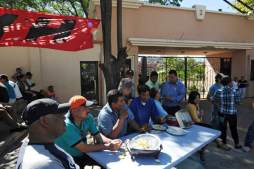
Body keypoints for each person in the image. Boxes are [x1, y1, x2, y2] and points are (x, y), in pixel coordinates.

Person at [55, 95, 122, 168]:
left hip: (83, 153)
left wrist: (110, 141)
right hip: (68, 158)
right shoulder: (67, 125)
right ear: (74, 111)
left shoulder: (88, 117)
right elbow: (83, 148)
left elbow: (97, 135)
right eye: (85, 108)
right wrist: (107, 147)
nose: (89, 110)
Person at [16, 98, 79, 169]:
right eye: (60, 115)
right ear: (44, 121)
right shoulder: (45, 164)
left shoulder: (37, 144)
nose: (65, 118)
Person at [214, 76, 242, 150]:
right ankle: (237, 144)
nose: (232, 83)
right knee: (233, 128)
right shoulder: (235, 91)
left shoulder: (218, 91)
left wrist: (219, 106)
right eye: (231, 81)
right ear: (229, 83)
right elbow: (238, 102)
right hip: (232, 113)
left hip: (222, 113)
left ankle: (224, 144)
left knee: (223, 129)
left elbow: (214, 100)